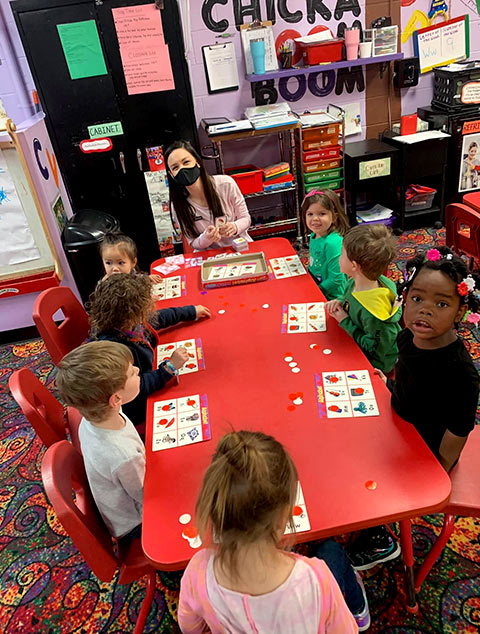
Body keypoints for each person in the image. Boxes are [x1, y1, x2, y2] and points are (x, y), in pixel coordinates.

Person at [347, 246, 480, 572]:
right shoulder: (409, 338)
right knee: (347, 448)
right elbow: (409, 383)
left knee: (371, 477)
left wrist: (437, 469)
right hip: (402, 424)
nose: (425, 311)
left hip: (427, 452)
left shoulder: (461, 372)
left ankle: (381, 537)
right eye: (417, 299)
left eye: (442, 303)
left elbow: (458, 430)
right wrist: (388, 385)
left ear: (461, 311)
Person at [178, 431, 370, 633]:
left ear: (217, 510)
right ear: (283, 517)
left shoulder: (197, 571)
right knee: (332, 551)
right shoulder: (317, 579)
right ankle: (359, 611)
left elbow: (189, 627)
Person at [88, 273, 210, 428]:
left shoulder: (124, 322)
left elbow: (157, 318)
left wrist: (190, 312)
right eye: (146, 306)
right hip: (136, 408)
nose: (154, 301)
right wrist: (169, 368)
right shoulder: (114, 350)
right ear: (132, 316)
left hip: (145, 378)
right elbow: (136, 388)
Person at [55, 341, 145, 541]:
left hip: (124, 501)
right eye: (131, 373)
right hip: (135, 523)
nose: (138, 370)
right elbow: (146, 497)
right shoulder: (124, 456)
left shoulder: (95, 418)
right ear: (116, 399)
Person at [326, 224, 402, 374]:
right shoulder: (356, 281)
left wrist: (344, 321)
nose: (339, 258)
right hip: (353, 339)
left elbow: (373, 349)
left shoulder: (375, 314)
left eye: (342, 254)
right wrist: (341, 300)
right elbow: (350, 296)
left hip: (375, 364)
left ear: (354, 266)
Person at [165, 140, 252, 251]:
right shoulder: (178, 205)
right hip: (208, 256)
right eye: (175, 168)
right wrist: (206, 238)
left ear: (197, 162)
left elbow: (246, 218)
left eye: (186, 162)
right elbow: (192, 242)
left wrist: (234, 227)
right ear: (171, 175)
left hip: (240, 247)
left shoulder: (226, 184)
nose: (182, 169)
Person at [302, 189, 349, 300]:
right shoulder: (315, 234)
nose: (315, 219)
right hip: (318, 286)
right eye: (310, 214)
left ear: (334, 217)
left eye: (322, 214)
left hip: (333, 297)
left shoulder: (332, 243)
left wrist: (316, 291)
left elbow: (336, 279)